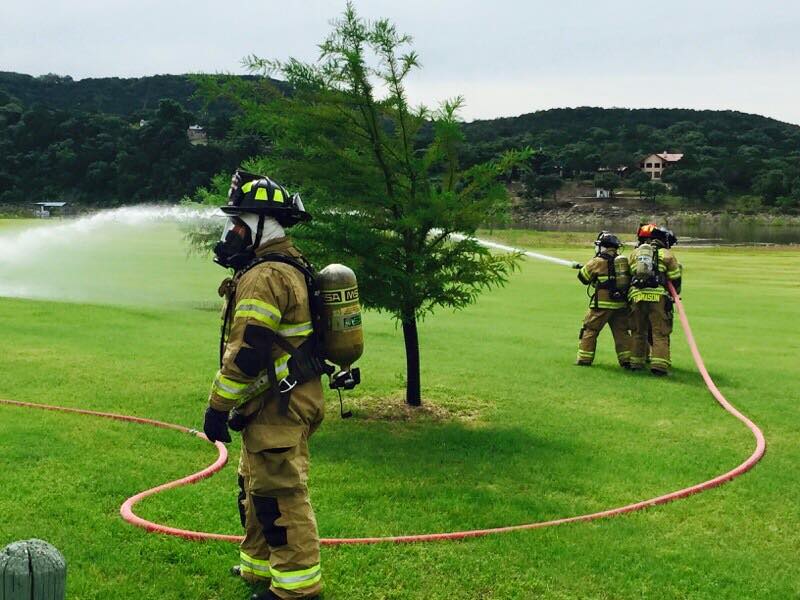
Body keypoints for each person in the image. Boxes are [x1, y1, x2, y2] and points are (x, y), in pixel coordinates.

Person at [203, 169, 324, 600]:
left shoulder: (266, 276)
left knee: (280, 492)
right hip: (273, 401)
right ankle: (259, 567)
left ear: (260, 224)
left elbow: (249, 354)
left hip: (281, 403)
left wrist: (217, 407)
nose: (232, 231)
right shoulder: (276, 265)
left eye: (239, 223)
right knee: (255, 485)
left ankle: (297, 588)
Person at [627, 223, 682, 375]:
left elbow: (629, 274)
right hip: (658, 298)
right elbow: (676, 278)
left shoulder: (636, 253)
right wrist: (675, 295)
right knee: (659, 332)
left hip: (637, 296)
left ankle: (636, 364)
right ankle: (659, 367)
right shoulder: (667, 255)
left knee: (638, 331)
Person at [575, 231, 632, 368]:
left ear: (603, 246)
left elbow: (583, 278)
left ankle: (584, 359)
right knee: (622, 333)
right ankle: (627, 361)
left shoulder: (597, 261)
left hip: (601, 305)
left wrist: (586, 267)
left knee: (590, 330)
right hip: (620, 305)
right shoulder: (623, 263)